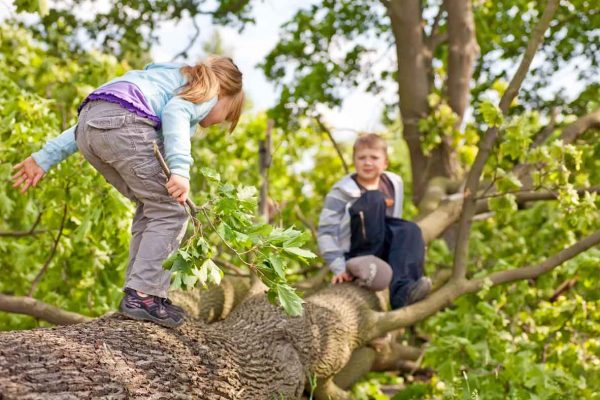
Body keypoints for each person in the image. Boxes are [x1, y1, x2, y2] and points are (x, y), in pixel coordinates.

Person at [11, 55, 244, 328]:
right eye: (227, 114)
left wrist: (45, 157)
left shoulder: (163, 81)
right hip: (125, 124)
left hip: (91, 128)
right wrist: (180, 170)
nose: (220, 122)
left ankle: (141, 292)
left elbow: (96, 120)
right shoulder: (207, 89)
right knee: (171, 210)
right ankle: (144, 295)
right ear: (224, 93)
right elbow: (175, 113)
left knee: (152, 205)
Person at [317, 133, 431, 309]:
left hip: (382, 246)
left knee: (410, 230)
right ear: (354, 162)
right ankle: (365, 263)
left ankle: (403, 293)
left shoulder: (394, 182)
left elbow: (393, 220)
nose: (367, 162)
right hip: (357, 251)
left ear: (385, 162)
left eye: (374, 158)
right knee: (374, 199)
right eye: (361, 158)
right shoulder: (341, 191)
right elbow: (326, 232)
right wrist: (339, 268)